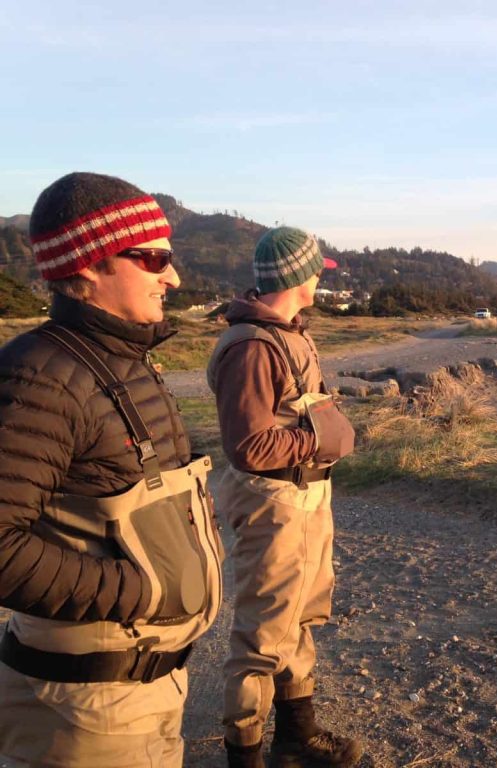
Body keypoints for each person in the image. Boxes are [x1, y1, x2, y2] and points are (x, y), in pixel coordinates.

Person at [0, 172, 224, 766]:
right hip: (89, 708)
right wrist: (142, 588)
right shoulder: (42, 376)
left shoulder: (119, 358)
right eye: (153, 258)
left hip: (136, 693)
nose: (172, 276)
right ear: (90, 265)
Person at [207, 227, 360, 768]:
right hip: (274, 504)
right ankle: (243, 756)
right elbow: (248, 445)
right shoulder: (251, 346)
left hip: (307, 498)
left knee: (300, 618)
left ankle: (296, 736)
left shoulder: (291, 333)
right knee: (260, 636)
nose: (322, 278)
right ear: (298, 276)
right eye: (318, 270)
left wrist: (321, 436)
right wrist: (321, 438)